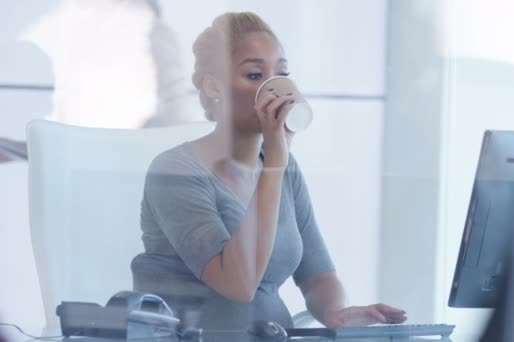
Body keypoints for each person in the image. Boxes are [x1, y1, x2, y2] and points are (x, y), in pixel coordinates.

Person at [130, 12, 407, 330]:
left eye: (282, 73)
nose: (274, 88)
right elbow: (238, 284)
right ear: (214, 85)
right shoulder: (176, 171)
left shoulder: (284, 167)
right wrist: (275, 163)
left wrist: (335, 313)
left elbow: (318, 276)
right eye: (254, 75)